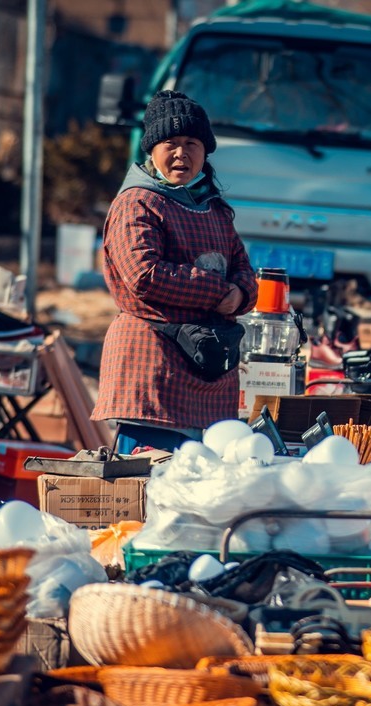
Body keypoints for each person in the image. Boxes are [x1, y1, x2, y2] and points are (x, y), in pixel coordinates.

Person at [92, 90, 259, 454]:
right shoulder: (137, 203)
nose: (181, 153)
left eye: (191, 143)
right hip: (153, 365)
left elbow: (244, 270)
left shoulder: (215, 210)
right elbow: (144, 274)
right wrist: (219, 293)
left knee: (199, 480)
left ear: (205, 152)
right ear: (152, 150)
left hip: (209, 372)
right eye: (170, 143)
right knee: (148, 481)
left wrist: (242, 294)